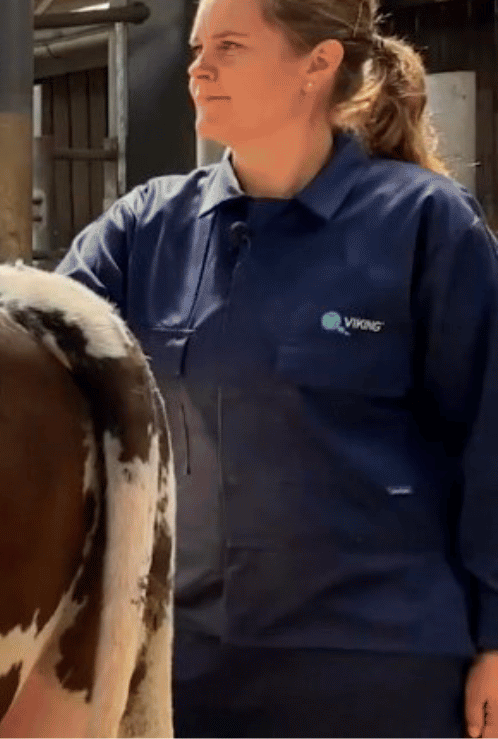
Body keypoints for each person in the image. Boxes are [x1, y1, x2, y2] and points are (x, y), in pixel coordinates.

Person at [53, 0, 498, 734]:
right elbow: (32, 339)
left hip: (381, 669)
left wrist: (493, 637)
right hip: (192, 672)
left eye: (229, 46)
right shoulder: (145, 231)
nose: (199, 66)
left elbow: (490, 436)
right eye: (198, 47)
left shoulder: (425, 224)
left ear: (316, 66)